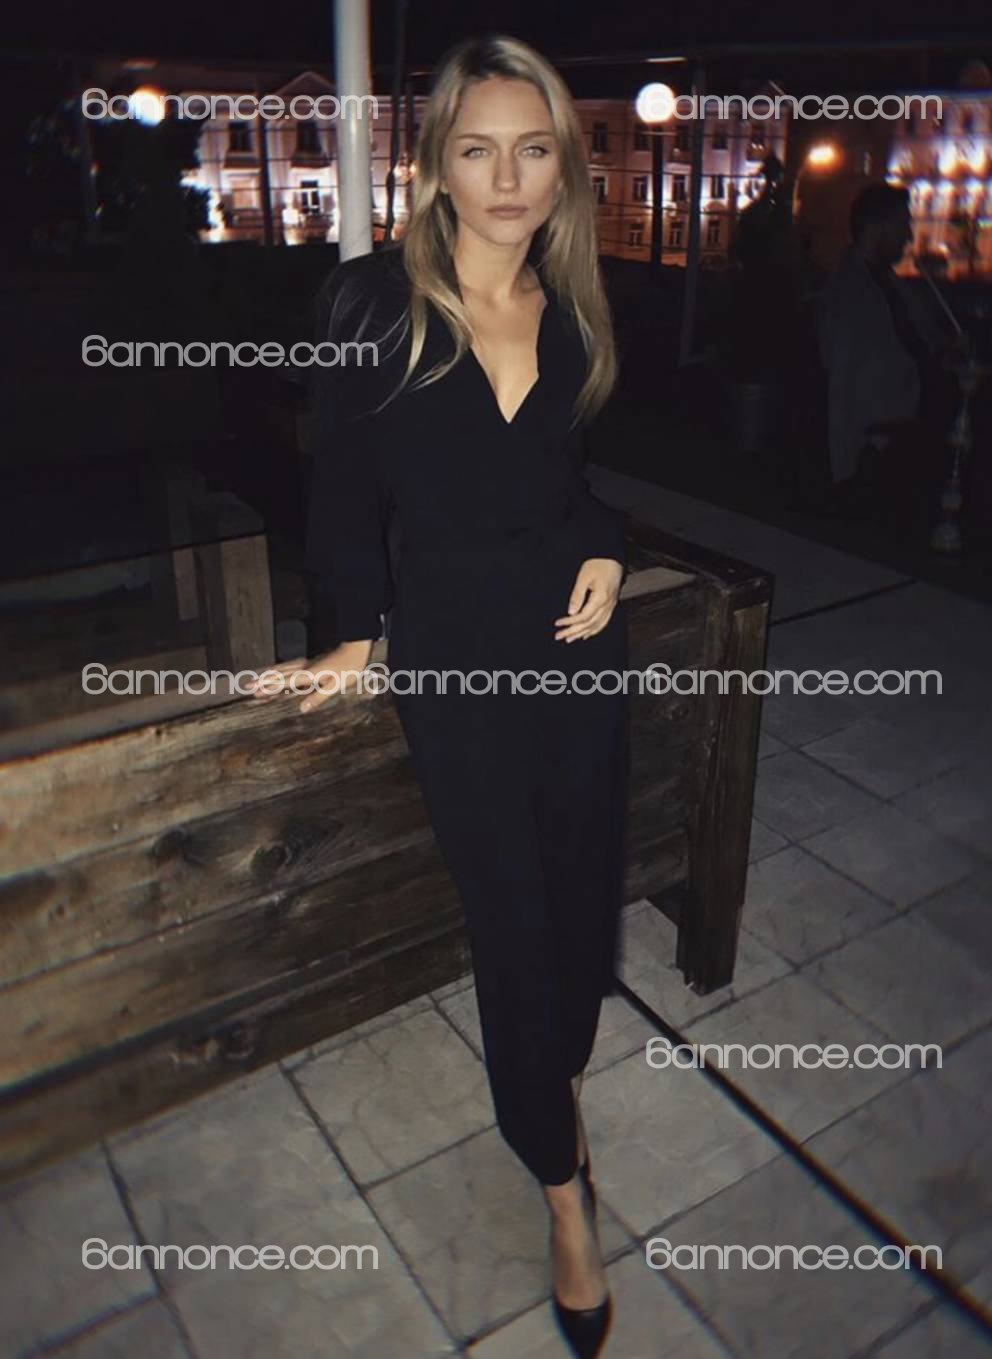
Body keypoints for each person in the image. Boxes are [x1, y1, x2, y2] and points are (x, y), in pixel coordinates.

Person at [245, 34, 627, 1357]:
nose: (507, 177)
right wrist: (351, 634)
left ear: (562, 167)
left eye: (533, 149)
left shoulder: (573, 311)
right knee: (513, 922)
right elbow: (343, 498)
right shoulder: (371, 304)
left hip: (577, 661)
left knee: (578, 907)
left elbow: (574, 482)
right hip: (456, 666)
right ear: (437, 166)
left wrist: (605, 546)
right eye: (478, 149)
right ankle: (563, 1190)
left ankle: (557, 1085)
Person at [815, 183, 960, 515]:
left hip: (904, 417)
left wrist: (946, 349)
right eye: (902, 224)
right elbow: (847, 379)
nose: (909, 237)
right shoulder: (851, 292)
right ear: (876, 227)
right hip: (887, 431)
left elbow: (922, 339)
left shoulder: (886, 282)